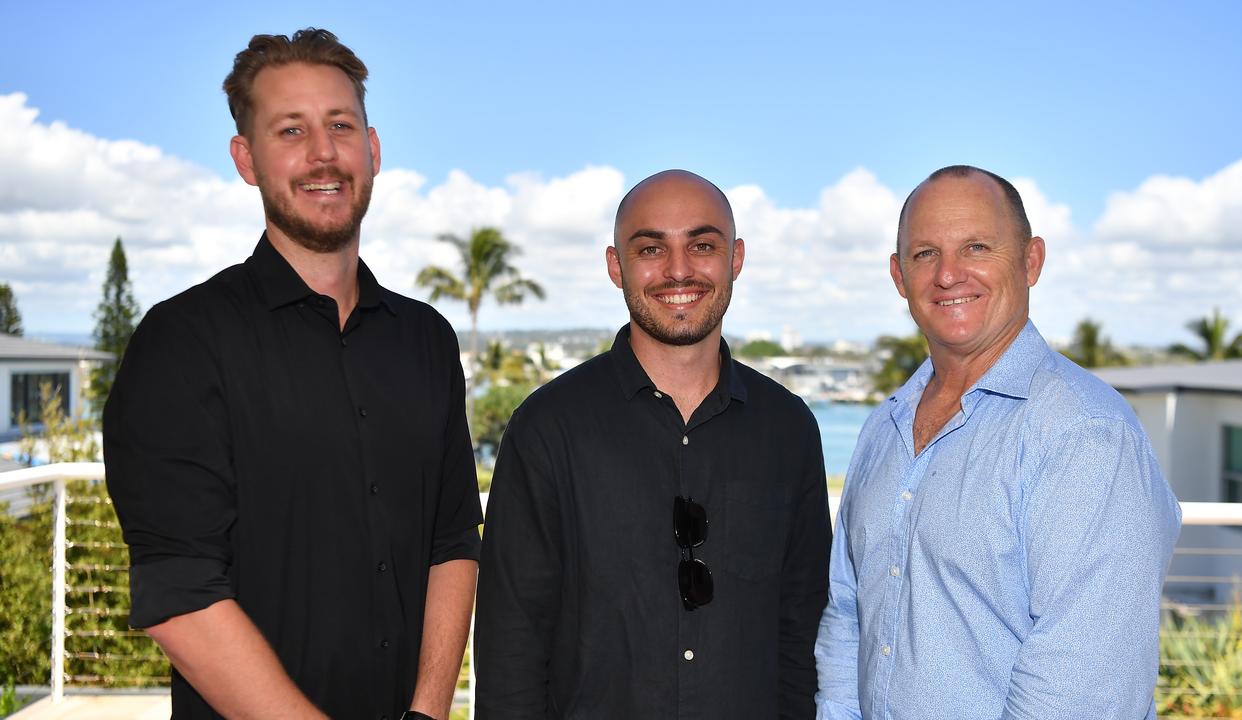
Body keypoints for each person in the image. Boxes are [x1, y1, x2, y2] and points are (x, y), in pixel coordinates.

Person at [104, 29, 481, 720]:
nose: (323, 153)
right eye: (290, 130)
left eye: (341, 125)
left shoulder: (427, 340)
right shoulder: (180, 343)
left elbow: (452, 541)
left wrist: (427, 712)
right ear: (246, 160)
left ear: (372, 148)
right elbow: (179, 595)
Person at [815, 165, 1182, 719]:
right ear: (898, 276)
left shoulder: (1086, 434)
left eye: (977, 247)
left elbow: (1081, 693)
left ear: (1031, 261)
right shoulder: (882, 429)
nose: (948, 275)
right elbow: (848, 613)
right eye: (924, 254)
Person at [474, 169, 832, 718]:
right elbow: (511, 651)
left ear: (735, 259)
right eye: (650, 248)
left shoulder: (789, 430)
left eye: (702, 245)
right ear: (617, 266)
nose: (679, 269)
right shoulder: (547, 428)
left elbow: (802, 637)